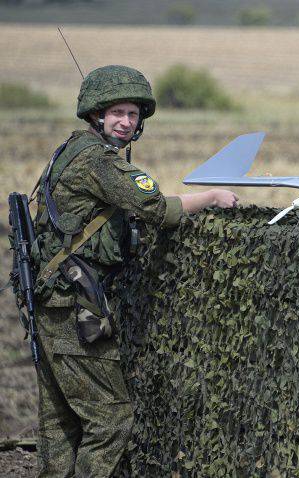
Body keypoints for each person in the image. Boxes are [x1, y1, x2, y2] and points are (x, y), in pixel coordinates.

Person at [30, 65, 238, 477]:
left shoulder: (69, 150)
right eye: (117, 113)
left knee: (60, 422)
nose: (126, 123)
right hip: (76, 307)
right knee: (111, 419)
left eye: (133, 114)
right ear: (96, 115)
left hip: (52, 301)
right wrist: (213, 196)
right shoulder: (98, 161)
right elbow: (155, 208)